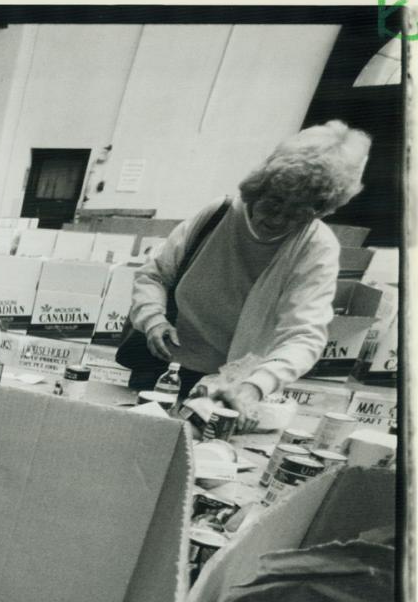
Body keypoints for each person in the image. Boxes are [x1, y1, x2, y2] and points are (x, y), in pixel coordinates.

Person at [128, 121, 369, 426]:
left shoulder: (315, 247)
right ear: (259, 188)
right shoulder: (217, 216)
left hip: (228, 385)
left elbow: (304, 335)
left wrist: (256, 385)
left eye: (298, 212)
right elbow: (154, 275)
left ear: (319, 210)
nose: (279, 219)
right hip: (161, 365)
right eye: (274, 203)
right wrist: (153, 320)